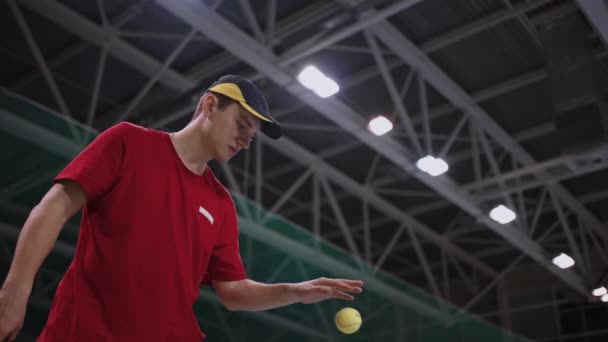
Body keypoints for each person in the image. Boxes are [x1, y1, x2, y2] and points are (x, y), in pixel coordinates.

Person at [0, 75, 363, 341]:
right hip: (84, 333)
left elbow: (233, 293)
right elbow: (54, 207)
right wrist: (15, 290)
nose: (244, 140)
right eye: (240, 124)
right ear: (209, 105)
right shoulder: (128, 142)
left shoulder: (221, 204)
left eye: (250, 136)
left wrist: (296, 291)